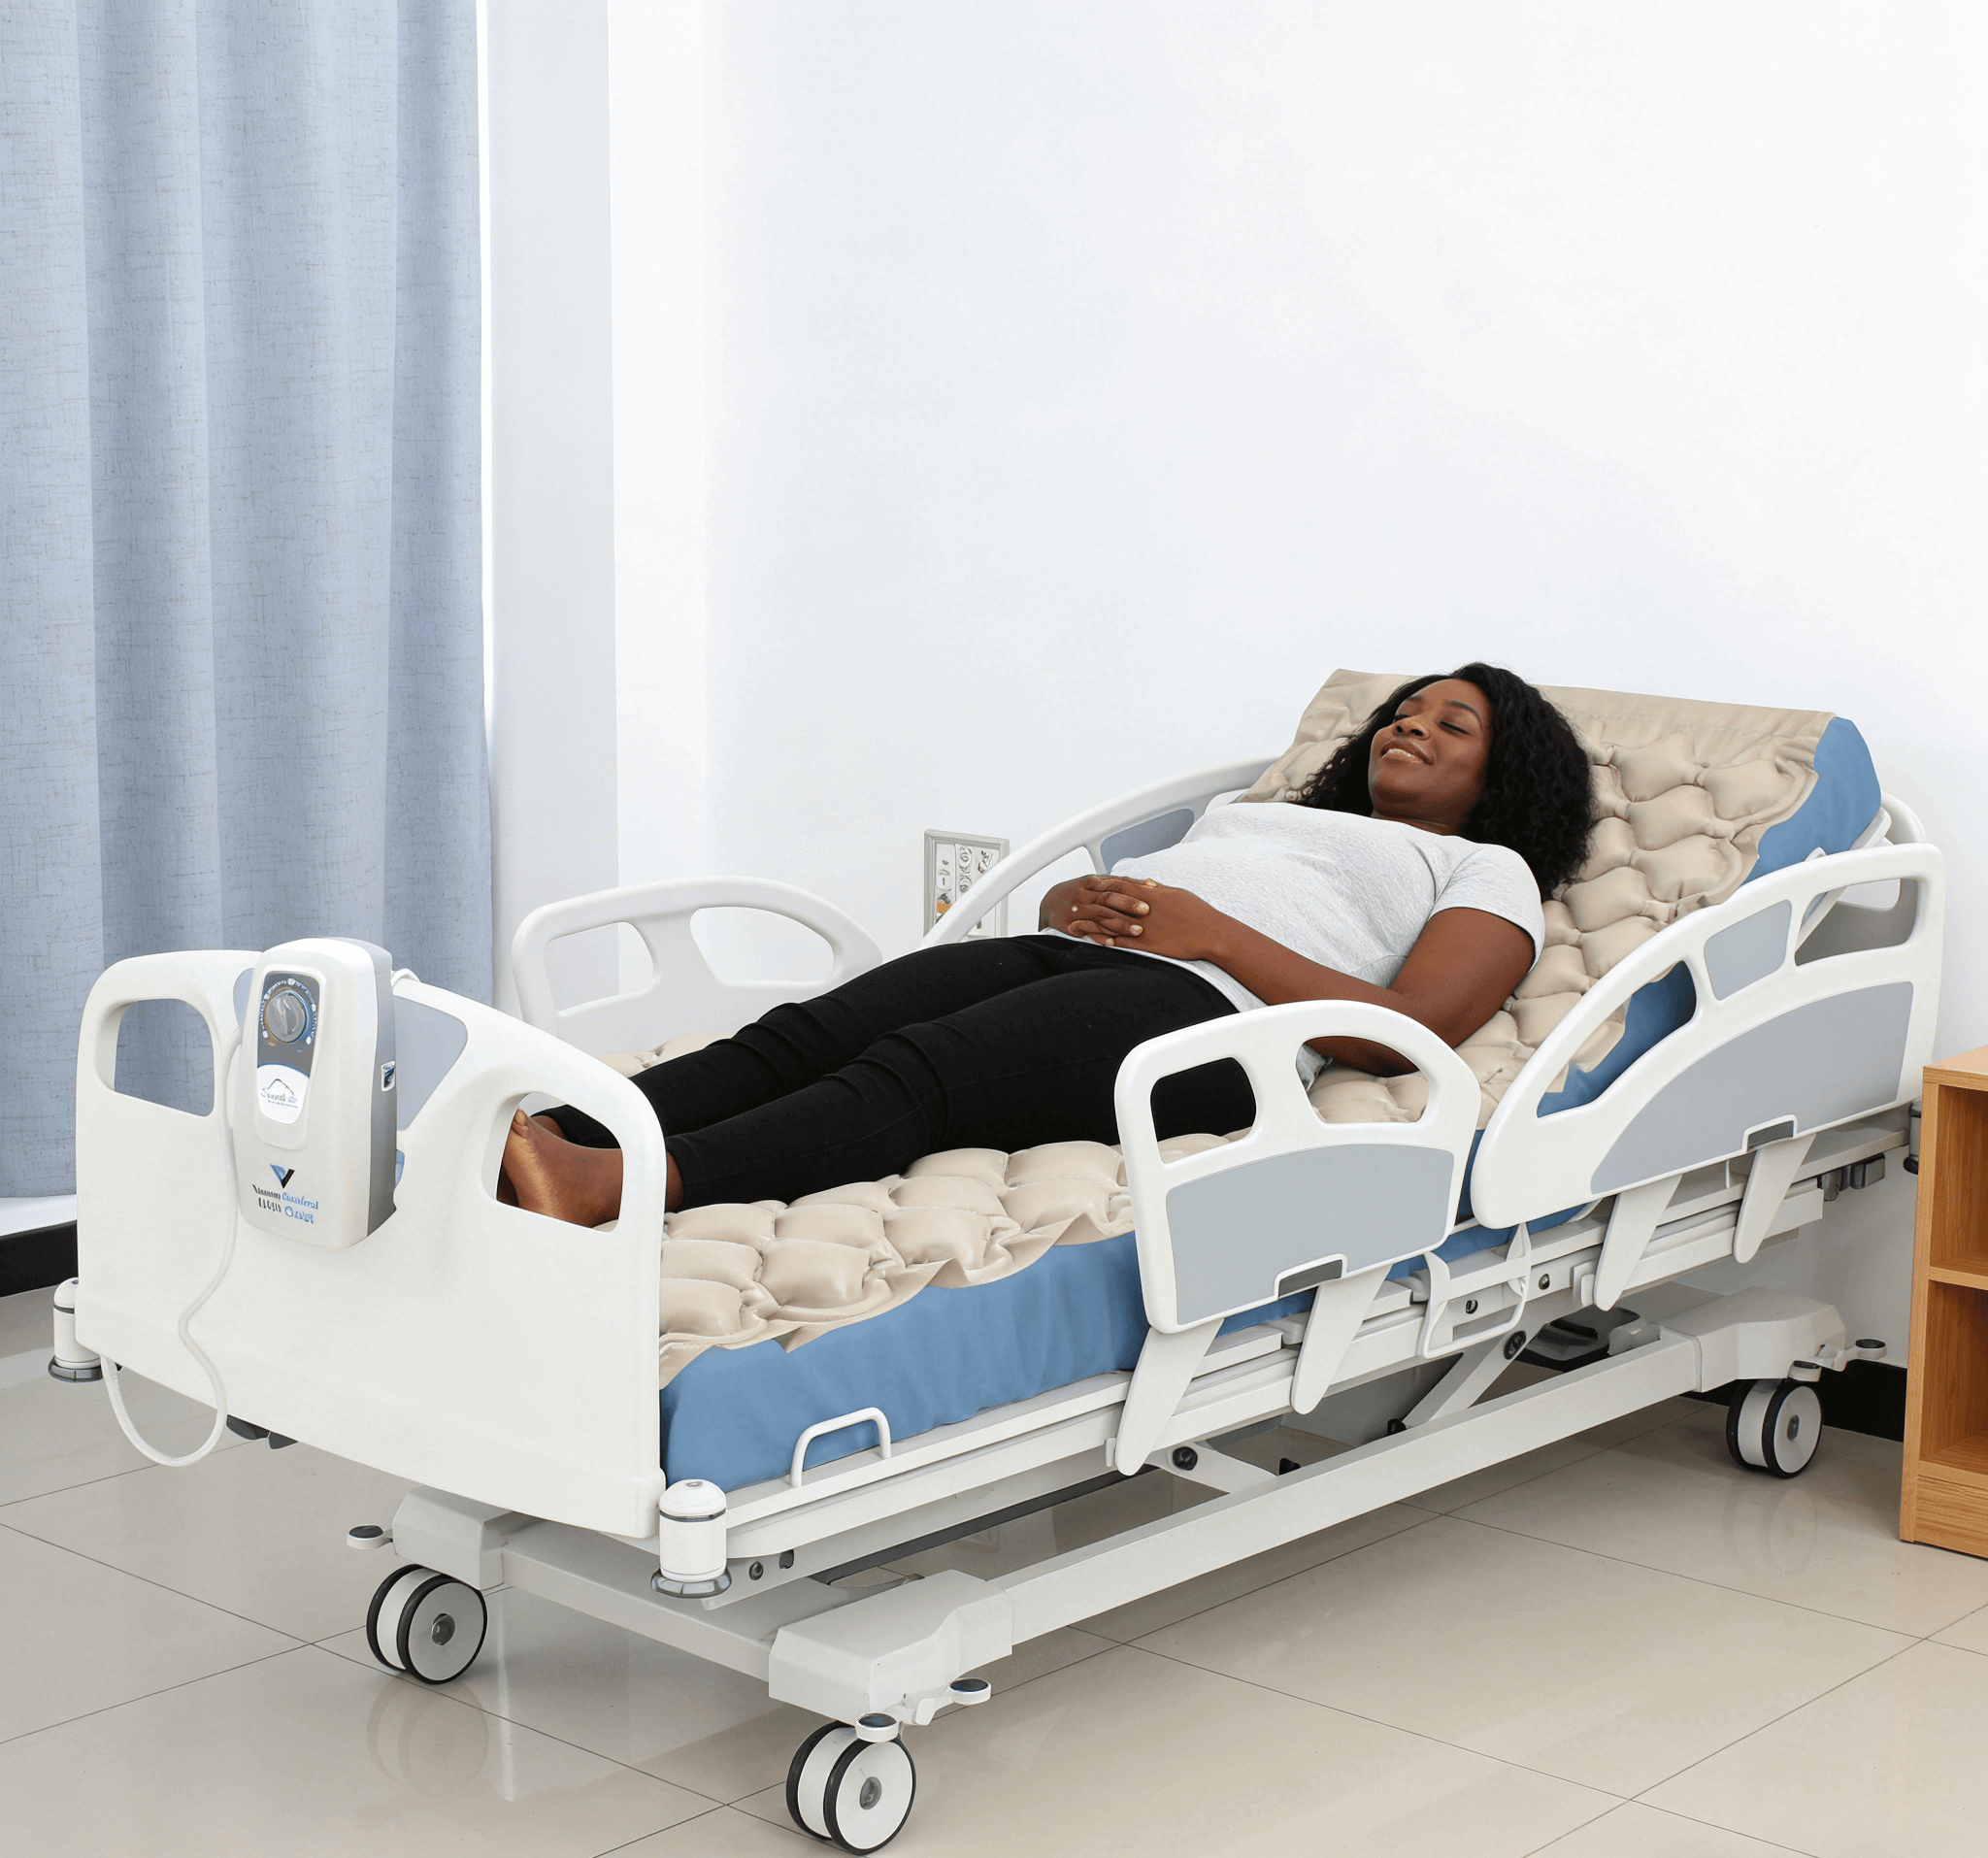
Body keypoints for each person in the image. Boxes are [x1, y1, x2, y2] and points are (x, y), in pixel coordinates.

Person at [500, 663, 1593, 1225]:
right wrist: (1078, 905)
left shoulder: (1484, 869)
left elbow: (1406, 1034)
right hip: (1102, 968)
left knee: (921, 1070)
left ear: (1499, 778)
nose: (1410, 723)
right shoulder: (1269, 813)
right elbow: (1151, 906)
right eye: (1406, 710)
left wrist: (1210, 934)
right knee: (802, 1035)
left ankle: (615, 1186)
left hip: (1214, 1029)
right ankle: (544, 1139)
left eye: (1451, 724)